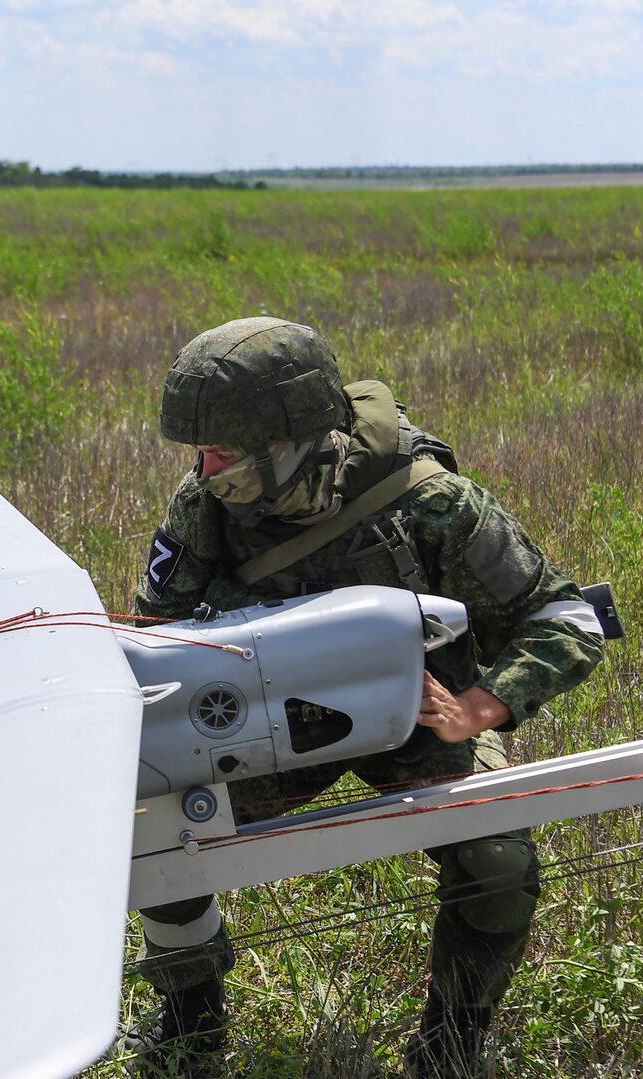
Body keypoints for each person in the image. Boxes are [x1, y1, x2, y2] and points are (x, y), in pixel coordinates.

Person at [126, 317, 605, 1078]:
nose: (205, 466)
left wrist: (483, 706)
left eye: (224, 452)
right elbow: (155, 637)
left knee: (498, 857)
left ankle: (449, 1048)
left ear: (288, 442)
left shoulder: (431, 501)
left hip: (415, 720)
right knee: (152, 828)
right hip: (264, 723)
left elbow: (567, 618)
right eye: (201, 450)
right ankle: (191, 1023)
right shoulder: (206, 505)